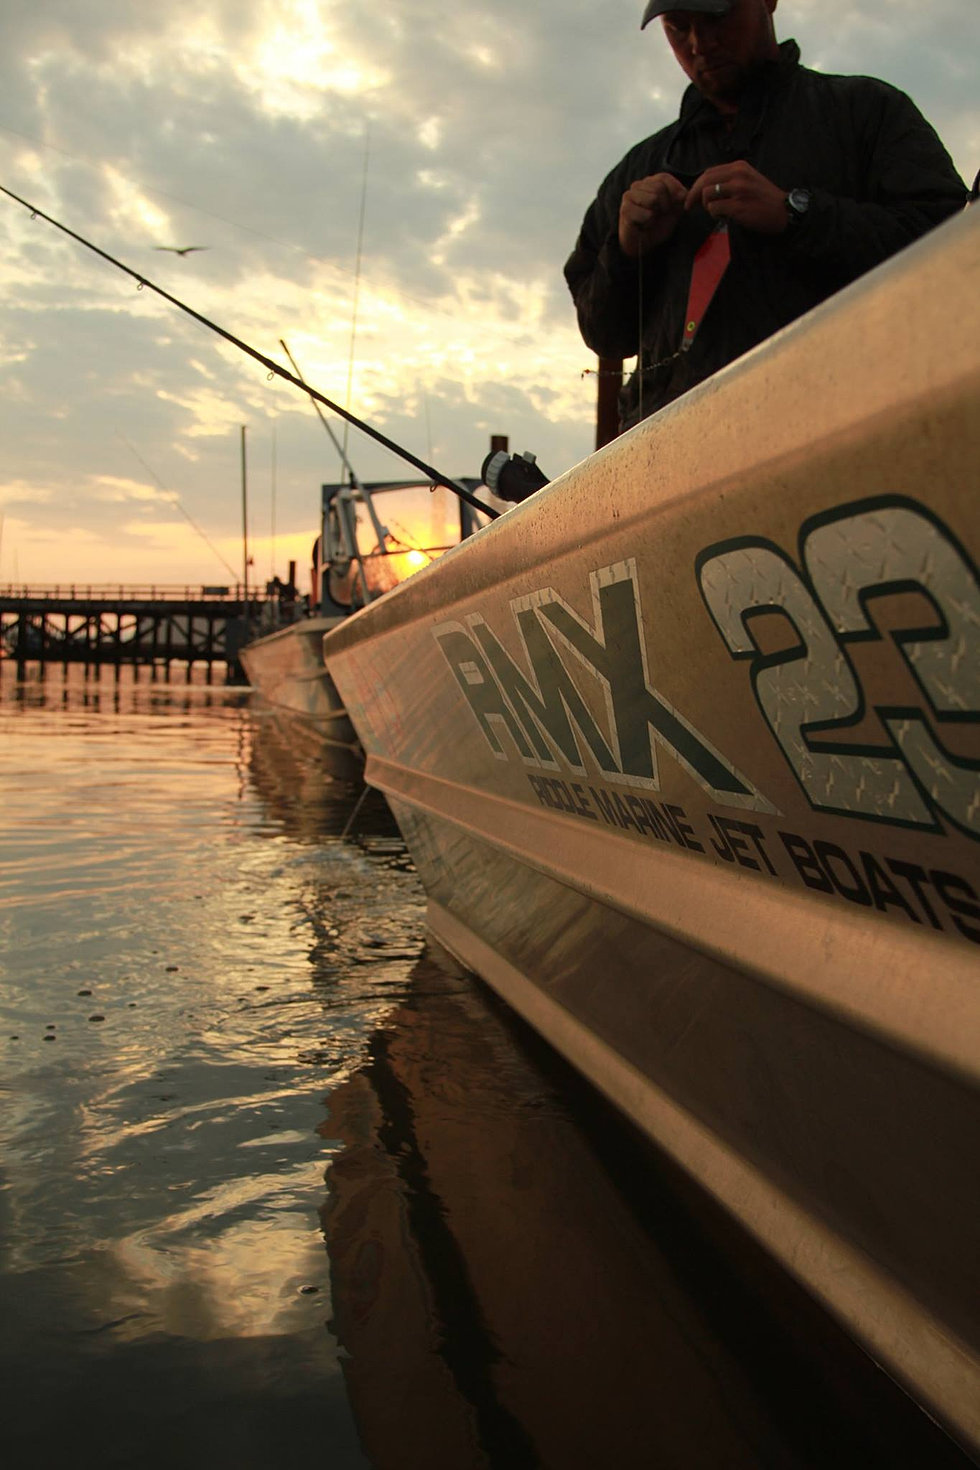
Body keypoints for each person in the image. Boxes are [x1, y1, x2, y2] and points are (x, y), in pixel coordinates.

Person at [565, 0, 967, 433]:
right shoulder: (637, 170)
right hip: (670, 457)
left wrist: (794, 212)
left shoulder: (866, 113)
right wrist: (627, 251)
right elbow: (604, 335)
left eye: (717, 17)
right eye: (678, 27)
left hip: (842, 437)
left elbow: (953, 246)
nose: (699, 43)